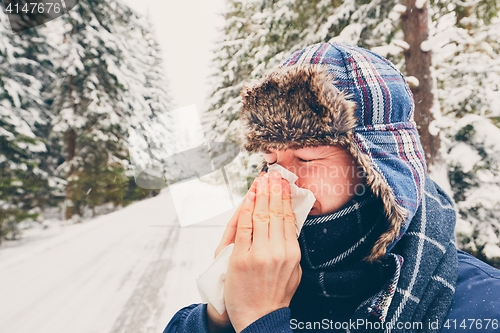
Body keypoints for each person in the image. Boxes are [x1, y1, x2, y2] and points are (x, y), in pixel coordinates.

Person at [164, 42, 500, 333]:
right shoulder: (267, 274)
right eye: (270, 159)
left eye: (306, 159)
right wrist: (220, 315)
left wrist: (261, 320)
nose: (278, 179)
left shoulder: (481, 308)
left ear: (378, 169)